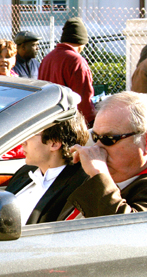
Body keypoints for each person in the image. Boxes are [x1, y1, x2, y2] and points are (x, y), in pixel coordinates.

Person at [58, 91, 147, 220]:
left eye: (108, 139)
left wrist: (99, 175)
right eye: (95, 137)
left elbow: (126, 231)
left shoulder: (97, 174)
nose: (97, 147)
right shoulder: (88, 173)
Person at [5, 112, 89, 225]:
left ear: (54, 143)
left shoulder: (79, 187)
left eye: (31, 134)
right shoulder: (25, 172)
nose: (22, 142)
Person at [38, 17, 96, 126]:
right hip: (70, 123)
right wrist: (91, 121)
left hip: (48, 120)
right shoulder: (77, 61)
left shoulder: (48, 58)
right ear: (82, 42)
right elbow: (83, 100)